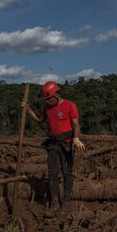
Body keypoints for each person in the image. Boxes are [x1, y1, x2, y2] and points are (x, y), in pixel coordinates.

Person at [21, 81, 85, 217]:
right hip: (53, 144)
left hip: (67, 143)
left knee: (67, 172)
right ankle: (55, 202)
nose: (48, 101)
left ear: (57, 94)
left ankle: (66, 201)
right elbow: (39, 120)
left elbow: (75, 124)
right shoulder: (47, 108)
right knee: (53, 174)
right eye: (46, 99)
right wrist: (28, 110)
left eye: (50, 98)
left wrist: (76, 138)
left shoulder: (69, 105)